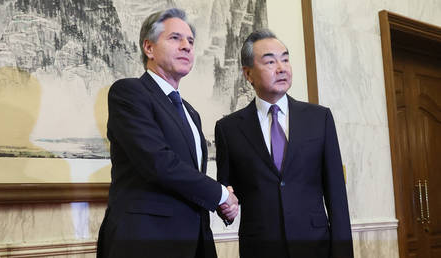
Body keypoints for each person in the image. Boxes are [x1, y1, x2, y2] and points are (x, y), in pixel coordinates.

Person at [97, 8, 238, 258]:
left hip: (195, 242)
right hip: (145, 241)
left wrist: (221, 204)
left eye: (191, 41)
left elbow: (189, 179)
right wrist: (220, 195)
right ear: (149, 48)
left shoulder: (191, 113)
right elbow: (158, 162)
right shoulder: (129, 93)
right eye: (175, 38)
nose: (186, 46)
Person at [215, 29, 353, 258]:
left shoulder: (319, 119)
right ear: (248, 74)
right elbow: (226, 193)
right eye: (270, 61)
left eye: (285, 59)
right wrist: (226, 210)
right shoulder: (228, 129)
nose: (282, 68)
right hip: (260, 248)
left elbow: (336, 195)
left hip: (315, 247)